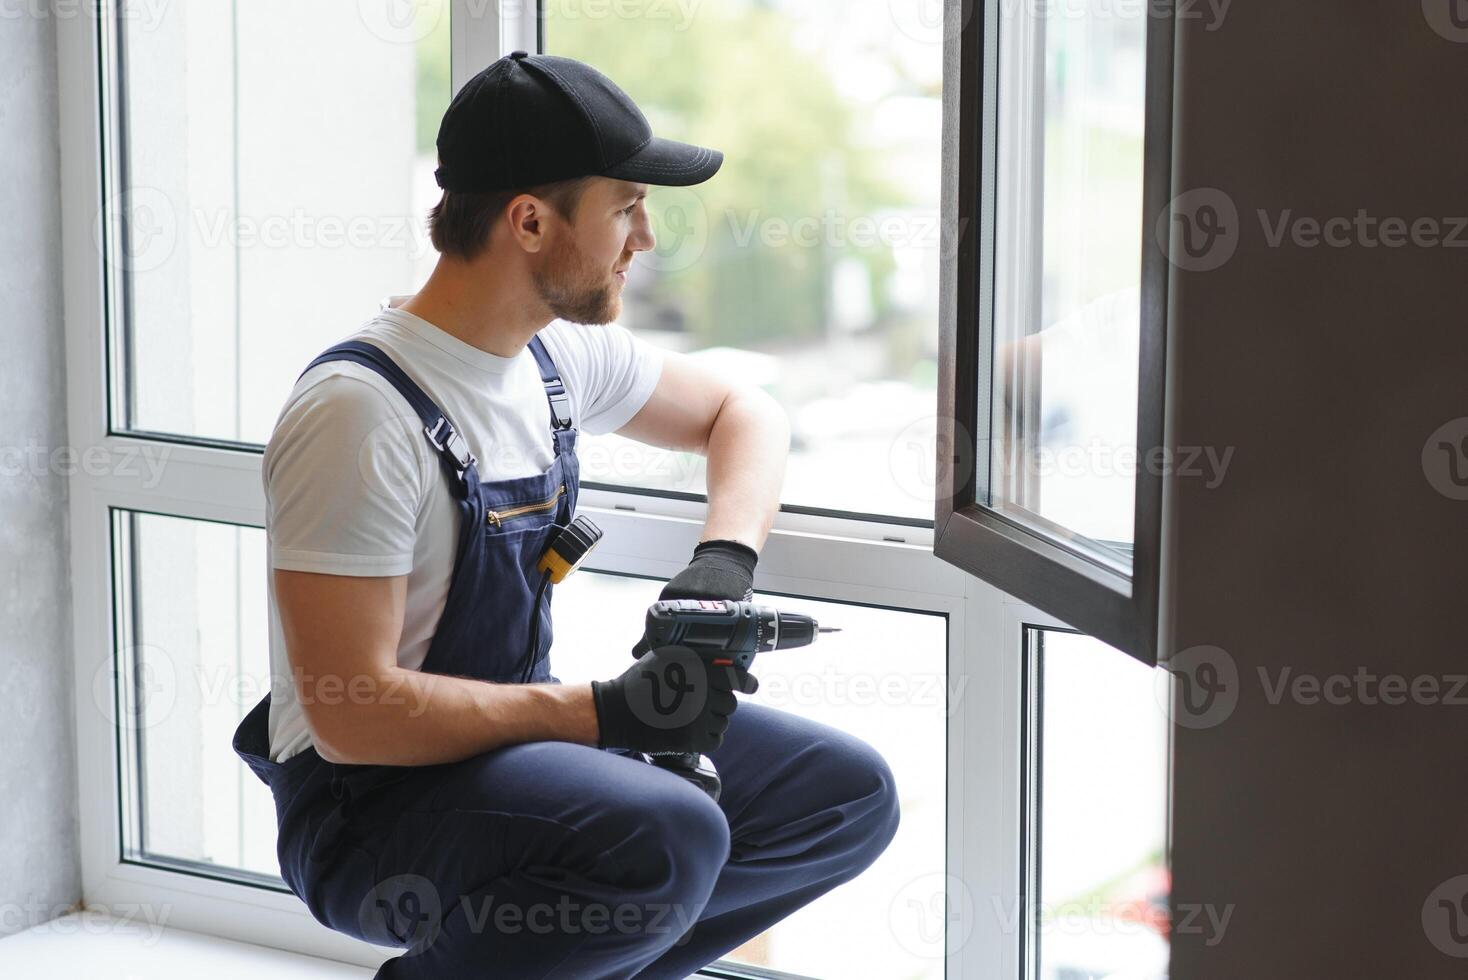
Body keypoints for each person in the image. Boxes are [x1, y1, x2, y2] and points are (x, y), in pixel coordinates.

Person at [231, 51, 899, 979]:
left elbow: (744, 413)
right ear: (531, 222)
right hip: (366, 809)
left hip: (510, 748)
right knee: (666, 834)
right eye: (626, 207)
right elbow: (356, 715)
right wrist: (605, 714)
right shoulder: (360, 414)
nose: (647, 239)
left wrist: (721, 566)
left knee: (841, 796)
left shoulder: (553, 364)